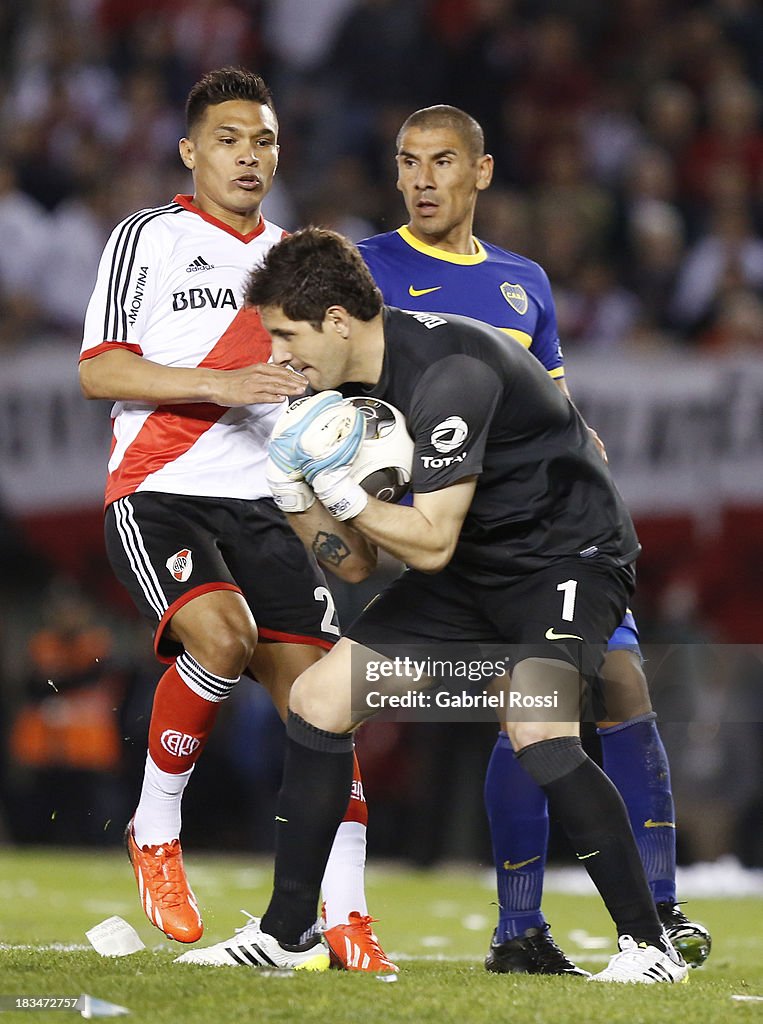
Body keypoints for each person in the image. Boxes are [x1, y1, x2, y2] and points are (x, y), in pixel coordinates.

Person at [178, 226, 689, 984]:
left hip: (565, 560)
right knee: (319, 700)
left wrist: (341, 487)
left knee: (537, 725)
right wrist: (297, 497)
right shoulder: (346, 394)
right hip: (473, 571)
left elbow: (429, 542)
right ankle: (289, 933)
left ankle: (650, 949)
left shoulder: (449, 370)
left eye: (286, 334)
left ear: (338, 322)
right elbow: (356, 564)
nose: (279, 355)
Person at [356, 104, 710, 974]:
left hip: (547, 533)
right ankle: (519, 927)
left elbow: (549, 398)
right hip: (454, 542)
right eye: (407, 162)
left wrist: (582, 438)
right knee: (528, 717)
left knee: (622, 684)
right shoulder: (365, 271)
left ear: (478, 173)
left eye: (441, 161)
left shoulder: (524, 282)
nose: (421, 179)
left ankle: (659, 914)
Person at [79, 66, 395, 972]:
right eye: (227, 138)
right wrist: (221, 383)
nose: (247, 155)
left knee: (326, 709)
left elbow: (340, 378)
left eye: (262, 140)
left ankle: (346, 919)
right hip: (159, 493)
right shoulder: (148, 236)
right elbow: (99, 371)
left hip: (265, 505)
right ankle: (155, 828)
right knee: (220, 639)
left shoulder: (296, 260)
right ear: (189, 151)